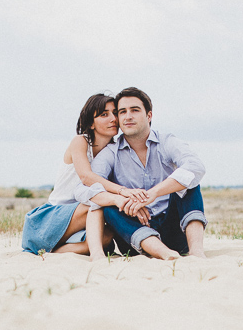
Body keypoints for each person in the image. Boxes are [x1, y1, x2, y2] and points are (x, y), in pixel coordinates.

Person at [21, 93, 149, 261]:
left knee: (108, 235)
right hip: (51, 220)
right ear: (91, 123)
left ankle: (52, 253)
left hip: (84, 219)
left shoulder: (114, 151)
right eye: (104, 114)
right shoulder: (80, 141)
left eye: (114, 112)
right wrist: (122, 192)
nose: (113, 119)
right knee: (101, 201)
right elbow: (86, 178)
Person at [83, 87, 207, 260]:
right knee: (108, 204)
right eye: (122, 112)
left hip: (174, 231)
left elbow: (195, 166)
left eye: (135, 110)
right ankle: (164, 254)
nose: (128, 116)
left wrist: (154, 193)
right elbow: (85, 189)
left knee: (189, 182)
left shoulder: (166, 142)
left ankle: (196, 252)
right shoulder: (110, 153)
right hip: (136, 237)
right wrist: (121, 198)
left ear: (149, 116)